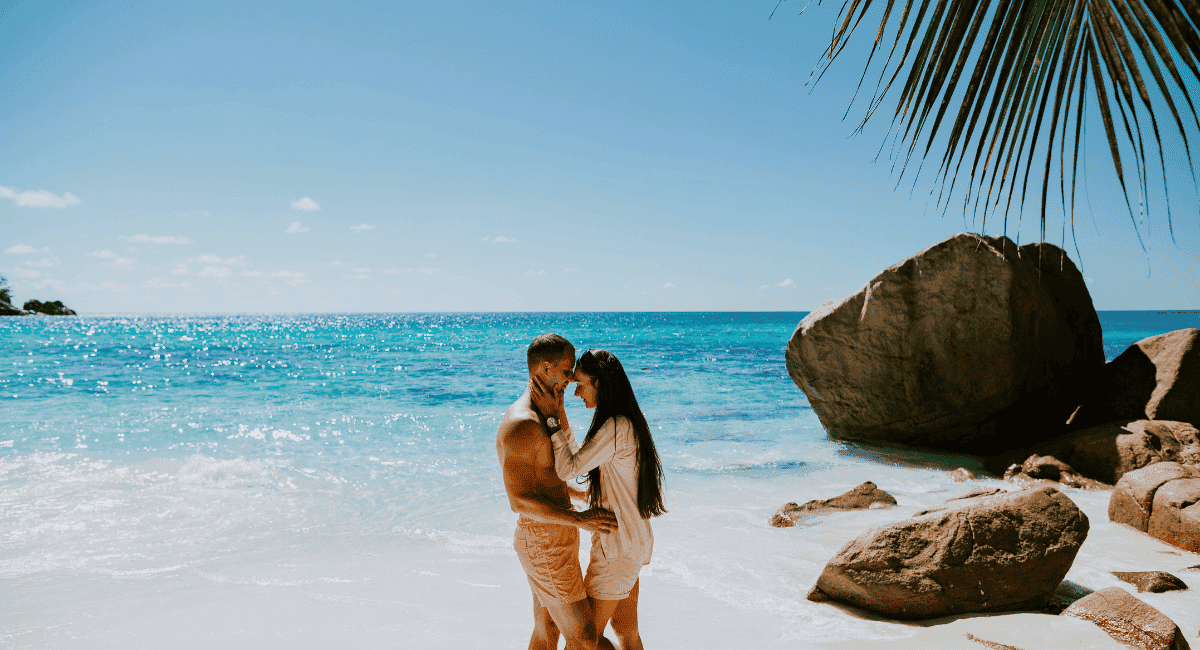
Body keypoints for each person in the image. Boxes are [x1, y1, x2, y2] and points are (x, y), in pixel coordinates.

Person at [532, 348, 666, 650]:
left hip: (617, 551)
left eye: (581, 384)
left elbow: (568, 468)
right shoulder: (625, 423)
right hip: (633, 542)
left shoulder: (615, 426)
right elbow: (582, 459)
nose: (577, 392)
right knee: (626, 633)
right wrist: (562, 410)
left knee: (583, 641)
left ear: (600, 383)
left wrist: (551, 418)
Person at [496, 334, 619, 650]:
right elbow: (518, 500)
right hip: (543, 541)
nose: (572, 376)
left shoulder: (545, 415)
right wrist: (581, 520)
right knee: (585, 637)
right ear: (545, 367)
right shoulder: (521, 424)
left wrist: (584, 498)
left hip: (556, 535)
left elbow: (551, 477)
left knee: (547, 629)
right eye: (566, 370)